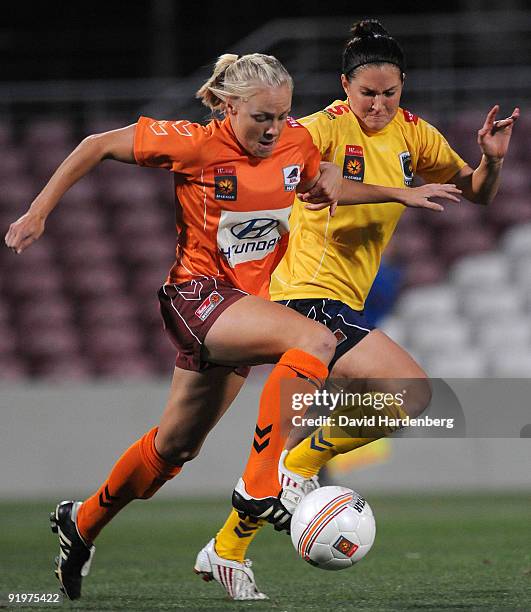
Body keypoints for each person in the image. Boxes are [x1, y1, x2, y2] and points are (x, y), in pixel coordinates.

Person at [4, 52, 456, 601]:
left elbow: (327, 187)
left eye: (282, 115)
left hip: (242, 308)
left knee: (172, 450)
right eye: (260, 117)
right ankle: (264, 486)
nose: (272, 129)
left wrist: (393, 191)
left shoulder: (296, 143)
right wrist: (39, 211)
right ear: (226, 106)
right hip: (197, 296)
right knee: (312, 337)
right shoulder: (194, 143)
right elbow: (95, 144)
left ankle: (84, 522)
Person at [195, 21, 519, 601]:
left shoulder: (414, 136)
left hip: (340, 299)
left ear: (403, 88)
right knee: (411, 393)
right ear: (345, 86)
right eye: (366, 92)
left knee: (317, 425)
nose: (377, 104)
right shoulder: (318, 128)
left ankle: (227, 546)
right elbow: (324, 187)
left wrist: (489, 162)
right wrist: (400, 193)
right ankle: (298, 465)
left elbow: (475, 191)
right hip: (302, 295)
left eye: (389, 93)